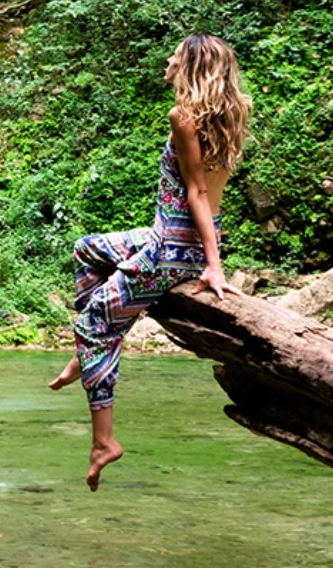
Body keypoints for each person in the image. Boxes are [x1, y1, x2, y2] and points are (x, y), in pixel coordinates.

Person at [49, 34, 252, 491]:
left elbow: (197, 192)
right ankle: (87, 354)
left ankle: (104, 439)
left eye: (176, 54)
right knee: (87, 249)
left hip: (173, 249)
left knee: (97, 318)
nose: (168, 58)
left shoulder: (183, 117)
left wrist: (213, 266)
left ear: (193, 65)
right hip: (174, 238)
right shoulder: (232, 112)